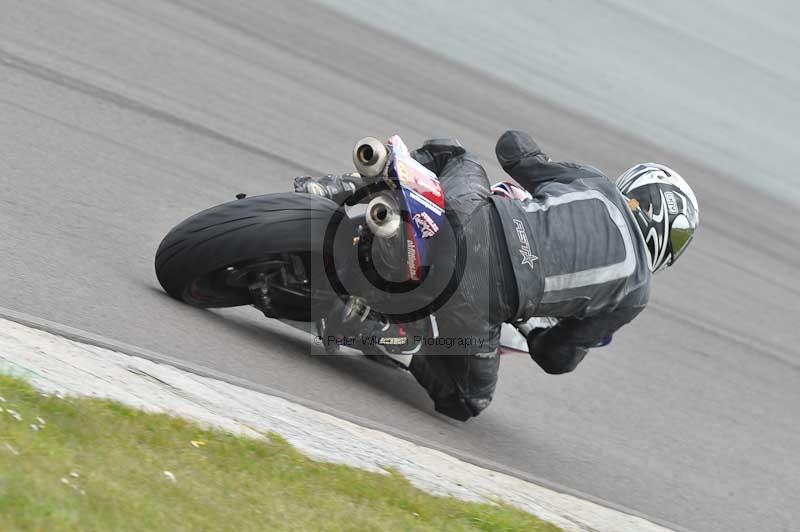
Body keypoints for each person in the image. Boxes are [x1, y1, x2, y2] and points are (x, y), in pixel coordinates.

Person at [294, 130, 699, 421]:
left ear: (636, 187)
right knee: (466, 401)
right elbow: (556, 358)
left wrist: (530, 150)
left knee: (453, 154)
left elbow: (512, 149)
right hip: (482, 300)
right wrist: (536, 329)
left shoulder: (593, 183)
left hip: (470, 217)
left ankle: (347, 185)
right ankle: (374, 330)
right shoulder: (635, 291)